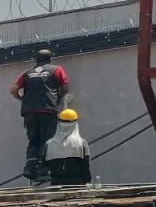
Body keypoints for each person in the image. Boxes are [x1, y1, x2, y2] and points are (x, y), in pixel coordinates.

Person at [10, 48, 71, 182]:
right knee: (47, 139)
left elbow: (13, 90)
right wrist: (59, 99)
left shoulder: (27, 73)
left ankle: (30, 167)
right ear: (50, 59)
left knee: (33, 140)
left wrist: (23, 100)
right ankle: (44, 168)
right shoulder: (56, 70)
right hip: (47, 110)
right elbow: (65, 87)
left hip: (29, 112)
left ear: (36, 60)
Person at [43, 108, 93, 186]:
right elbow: (86, 167)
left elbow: (44, 165)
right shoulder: (81, 144)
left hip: (56, 185)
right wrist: (88, 182)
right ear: (75, 123)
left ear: (59, 123)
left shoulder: (49, 144)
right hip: (77, 186)